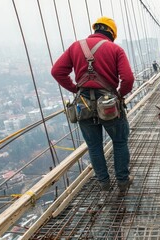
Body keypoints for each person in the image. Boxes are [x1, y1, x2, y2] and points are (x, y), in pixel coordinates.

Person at [51, 16, 135, 193]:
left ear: (95, 29)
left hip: (84, 104)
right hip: (109, 103)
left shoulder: (76, 47)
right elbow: (128, 78)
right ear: (112, 33)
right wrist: (119, 95)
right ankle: (122, 181)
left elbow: (57, 71)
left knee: (94, 146)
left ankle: (104, 183)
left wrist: (75, 89)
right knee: (119, 142)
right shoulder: (115, 49)